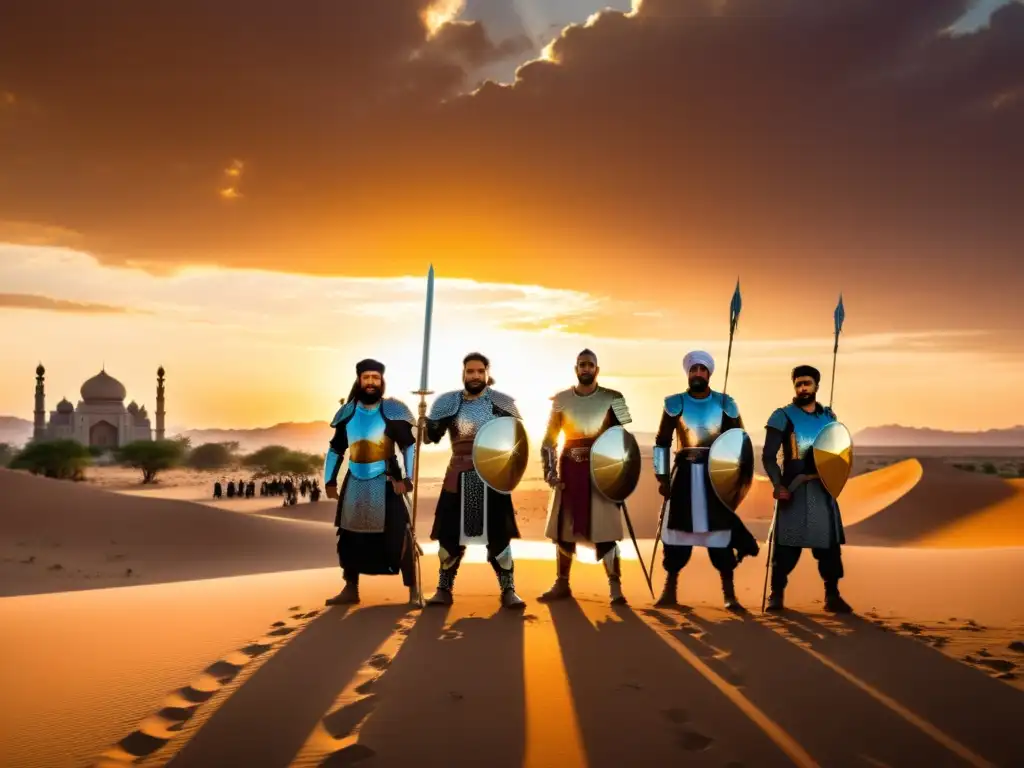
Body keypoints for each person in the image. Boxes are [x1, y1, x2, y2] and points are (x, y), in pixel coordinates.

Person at [653, 350, 759, 610]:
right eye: (693, 370)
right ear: (688, 373)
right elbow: (662, 443)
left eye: (702, 369)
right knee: (677, 534)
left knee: (719, 533)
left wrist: (734, 480)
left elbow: (739, 442)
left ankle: (729, 594)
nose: (697, 373)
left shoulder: (726, 404)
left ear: (709, 373)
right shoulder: (675, 403)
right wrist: (663, 476)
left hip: (715, 478)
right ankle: (669, 590)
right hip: (685, 476)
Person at [422, 352, 526, 609]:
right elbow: (428, 439)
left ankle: (508, 590)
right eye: (471, 371)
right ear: (463, 373)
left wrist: (507, 472)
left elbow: (516, 442)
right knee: (449, 537)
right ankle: (444, 588)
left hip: (493, 476)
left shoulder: (502, 403)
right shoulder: (448, 403)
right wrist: (426, 421)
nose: (475, 376)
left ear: (487, 373)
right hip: (457, 474)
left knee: (499, 537)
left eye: (480, 371)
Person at [538, 349, 633, 604]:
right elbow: (549, 439)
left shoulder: (613, 398)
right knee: (564, 530)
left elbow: (622, 441)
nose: (586, 369)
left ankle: (615, 587)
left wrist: (620, 477)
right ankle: (562, 584)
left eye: (590, 365)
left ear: (597, 370)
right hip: (569, 469)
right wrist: (549, 471)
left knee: (605, 531)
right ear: (576, 369)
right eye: (582, 365)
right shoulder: (561, 400)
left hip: (600, 472)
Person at [323, 359, 418, 607]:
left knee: (402, 534)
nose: (371, 382)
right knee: (348, 535)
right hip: (354, 481)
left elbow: (409, 446)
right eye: (367, 378)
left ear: (382, 381)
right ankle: (350, 588)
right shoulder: (347, 413)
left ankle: (414, 589)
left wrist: (407, 480)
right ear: (359, 380)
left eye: (376, 378)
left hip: (387, 481)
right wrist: (329, 480)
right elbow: (336, 449)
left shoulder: (393, 411)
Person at [762, 365, 852, 613]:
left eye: (807, 383)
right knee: (786, 547)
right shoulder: (782, 416)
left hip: (823, 488)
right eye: (798, 384)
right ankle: (776, 595)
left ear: (816, 386)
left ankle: (832, 596)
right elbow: (769, 456)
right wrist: (778, 485)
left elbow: (837, 453)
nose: (802, 388)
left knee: (829, 547)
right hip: (795, 489)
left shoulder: (828, 418)